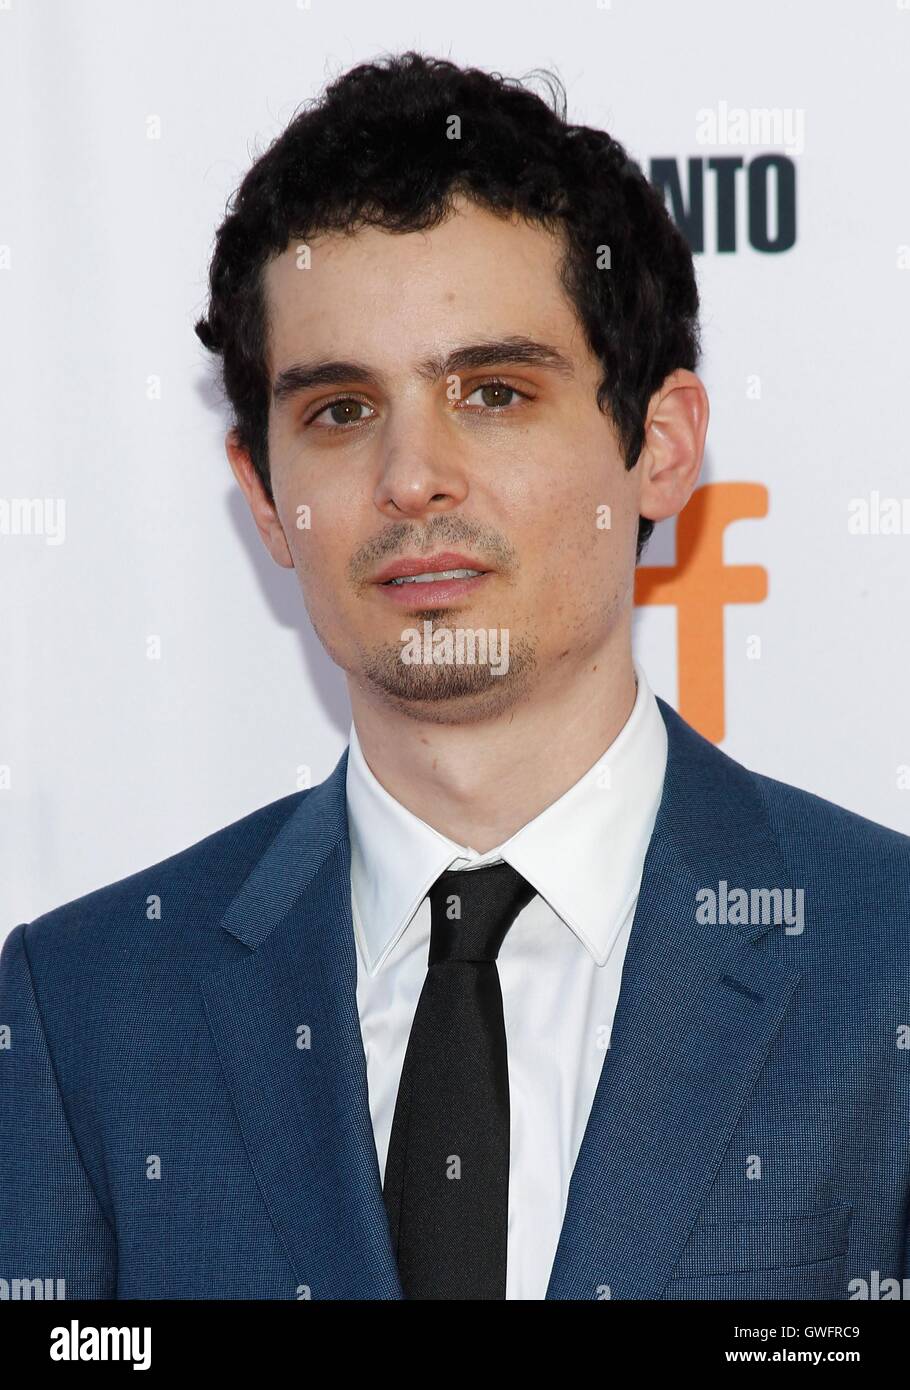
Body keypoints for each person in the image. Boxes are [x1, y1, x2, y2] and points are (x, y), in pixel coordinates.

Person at [2, 51, 908, 1302]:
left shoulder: (886, 961)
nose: (412, 477)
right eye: (337, 410)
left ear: (657, 446)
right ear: (264, 497)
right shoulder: (87, 1009)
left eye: (492, 392)